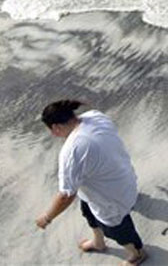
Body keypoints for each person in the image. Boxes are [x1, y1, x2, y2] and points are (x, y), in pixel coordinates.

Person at [36, 100, 147, 265]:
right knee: (88, 211)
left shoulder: (71, 151)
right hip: (122, 175)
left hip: (112, 198)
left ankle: (137, 254)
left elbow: (66, 195)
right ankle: (98, 242)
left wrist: (47, 217)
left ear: (55, 128)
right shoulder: (95, 116)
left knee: (117, 230)